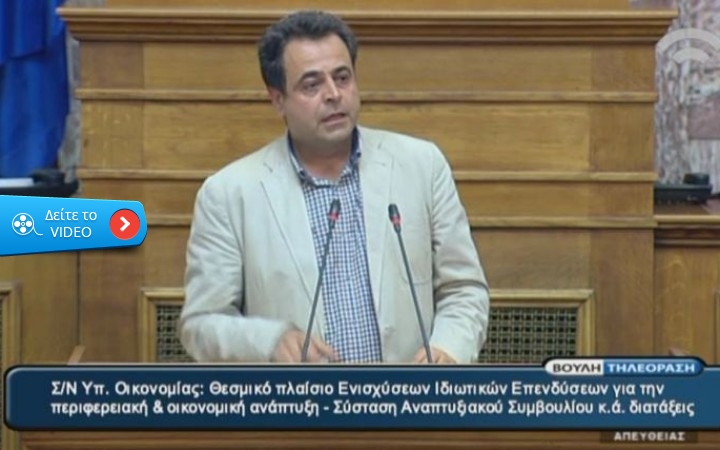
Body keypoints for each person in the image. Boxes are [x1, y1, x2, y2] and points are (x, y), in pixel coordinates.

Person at [179, 10, 490, 364]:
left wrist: (448, 348)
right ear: (277, 99)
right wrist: (269, 341)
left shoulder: (421, 166)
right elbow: (201, 325)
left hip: (406, 395)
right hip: (300, 398)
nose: (333, 94)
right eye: (311, 85)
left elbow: (464, 289)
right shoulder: (229, 194)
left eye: (342, 78)